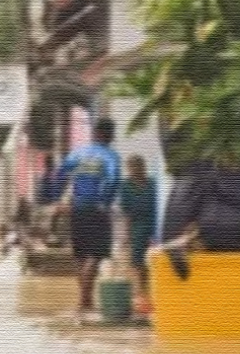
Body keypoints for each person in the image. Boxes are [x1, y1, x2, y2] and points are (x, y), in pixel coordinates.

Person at [54, 117, 122, 319]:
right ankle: (84, 300)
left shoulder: (78, 153)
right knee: (96, 253)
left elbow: (59, 175)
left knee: (81, 254)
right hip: (97, 209)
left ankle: (86, 300)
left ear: (95, 133)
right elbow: (112, 180)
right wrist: (106, 202)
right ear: (107, 134)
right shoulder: (110, 156)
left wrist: (62, 199)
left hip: (77, 208)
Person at [118, 155, 160, 314]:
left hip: (154, 225)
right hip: (137, 227)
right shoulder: (125, 186)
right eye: (131, 167)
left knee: (154, 258)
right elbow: (126, 213)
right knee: (137, 261)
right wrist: (127, 235)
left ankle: (150, 291)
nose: (134, 170)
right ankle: (142, 292)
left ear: (143, 167)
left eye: (137, 166)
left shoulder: (153, 184)